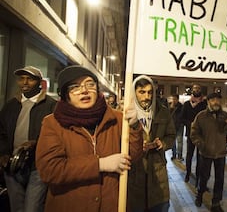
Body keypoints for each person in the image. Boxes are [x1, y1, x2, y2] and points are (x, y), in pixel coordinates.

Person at [35, 65, 143, 212]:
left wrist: (135, 127)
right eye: (75, 87)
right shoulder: (52, 123)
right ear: (65, 94)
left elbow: (133, 157)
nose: (84, 90)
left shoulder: (117, 118)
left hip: (110, 204)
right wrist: (100, 164)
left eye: (90, 84)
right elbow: (50, 170)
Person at [0, 66, 57, 212]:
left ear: (39, 82)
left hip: (37, 167)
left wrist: (36, 144)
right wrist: (3, 154)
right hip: (12, 168)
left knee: (32, 208)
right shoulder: (10, 105)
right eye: (21, 79)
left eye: (30, 79)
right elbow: (2, 133)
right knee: (17, 208)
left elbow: (56, 135)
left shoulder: (51, 106)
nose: (24, 82)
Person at [127, 75, 176, 212]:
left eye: (150, 92)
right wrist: (134, 146)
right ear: (134, 92)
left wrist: (163, 143)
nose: (146, 96)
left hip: (157, 169)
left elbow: (171, 135)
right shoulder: (124, 114)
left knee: (158, 205)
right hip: (134, 171)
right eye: (142, 92)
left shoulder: (163, 112)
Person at [191, 92, 227, 212]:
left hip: (220, 152)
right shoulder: (201, 116)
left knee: (219, 179)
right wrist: (201, 144)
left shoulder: (225, 115)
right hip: (206, 152)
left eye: (218, 100)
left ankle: (216, 203)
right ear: (208, 102)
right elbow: (194, 133)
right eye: (213, 100)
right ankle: (200, 194)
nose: (216, 102)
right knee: (204, 177)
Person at [180, 84, 207, 184]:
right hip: (190, 133)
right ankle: (188, 173)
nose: (196, 90)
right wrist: (190, 124)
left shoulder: (204, 104)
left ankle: (198, 176)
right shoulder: (187, 104)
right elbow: (182, 118)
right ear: (192, 90)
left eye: (198, 88)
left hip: (201, 134)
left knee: (200, 156)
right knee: (189, 155)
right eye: (195, 88)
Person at [169, 94, 184, 161]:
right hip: (172, 126)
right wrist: (171, 108)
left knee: (179, 142)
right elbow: (168, 115)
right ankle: (174, 155)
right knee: (173, 142)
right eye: (173, 99)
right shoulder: (170, 106)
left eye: (175, 99)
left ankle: (180, 156)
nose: (174, 100)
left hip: (179, 126)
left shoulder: (181, 107)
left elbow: (182, 116)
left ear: (178, 99)